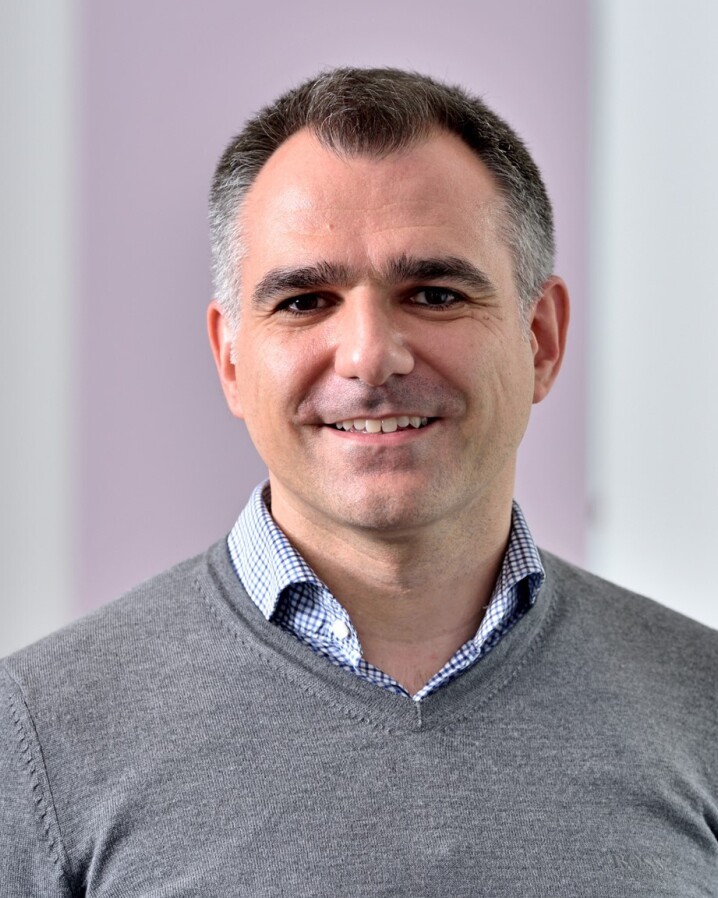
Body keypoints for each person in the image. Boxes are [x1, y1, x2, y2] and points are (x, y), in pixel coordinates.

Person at [1, 67, 716, 896]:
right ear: (231, 358)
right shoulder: (37, 734)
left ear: (542, 340)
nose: (371, 357)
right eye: (305, 302)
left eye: (435, 293)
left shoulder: (703, 705)